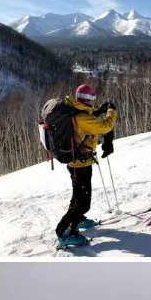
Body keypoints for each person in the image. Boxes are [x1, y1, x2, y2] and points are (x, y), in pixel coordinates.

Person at [55, 83, 118, 246]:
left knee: (78, 195)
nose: (93, 102)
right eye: (92, 99)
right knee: (83, 202)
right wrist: (111, 110)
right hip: (80, 165)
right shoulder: (82, 118)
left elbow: (89, 116)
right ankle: (65, 231)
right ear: (87, 99)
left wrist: (98, 110)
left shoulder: (76, 111)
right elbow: (105, 126)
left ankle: (78, 219)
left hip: (78, 163)